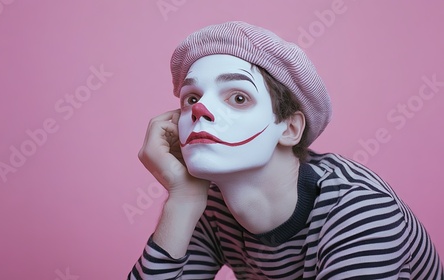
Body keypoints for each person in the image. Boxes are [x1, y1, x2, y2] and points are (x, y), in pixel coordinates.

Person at [128, 21, 444, 279]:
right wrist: (183, 199)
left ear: (290, 129)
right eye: (192, 99)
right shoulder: (210, 206)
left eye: (238, 98)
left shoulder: (358, 209)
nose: (200, 111)